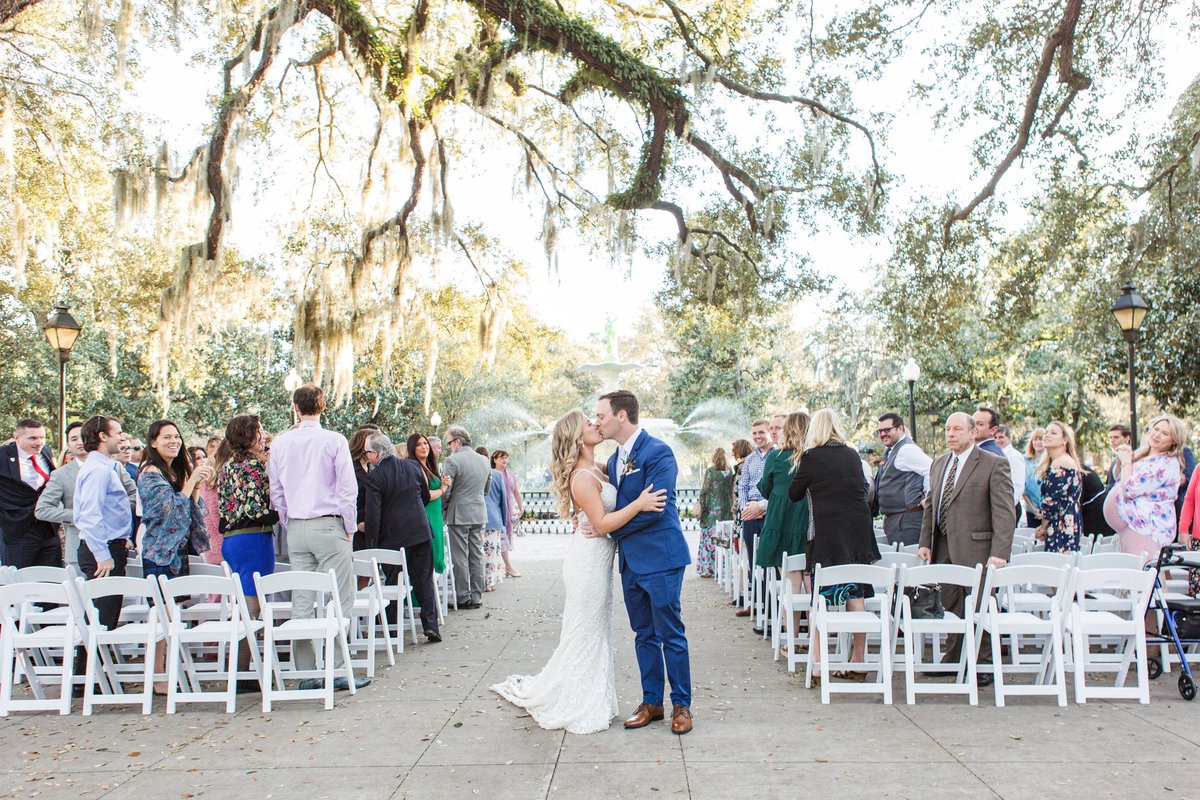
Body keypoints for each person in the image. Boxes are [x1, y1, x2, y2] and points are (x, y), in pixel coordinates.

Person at [491, 409, 666, 734]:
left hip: (597, 561)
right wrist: (639, 504)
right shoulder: (582, 478)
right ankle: (576, 701)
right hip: (587, 563)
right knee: (585, 630)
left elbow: (603, 509)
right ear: (576, 436)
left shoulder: (599, 469)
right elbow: (601, 524)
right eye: (589, 423)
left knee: (594, 630)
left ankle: (591, 697)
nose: (596, 424)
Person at [589, 390, 693, 734]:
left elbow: (656, 508)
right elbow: (630, 503)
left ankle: (682, 706)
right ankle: (652, 702)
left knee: (670, 633)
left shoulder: (659, 452)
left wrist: (609, 528)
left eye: (601, 415)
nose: (597, 421)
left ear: (621, 416)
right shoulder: (617, 460)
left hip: (661, 556)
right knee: (643, 634)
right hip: (631, 562)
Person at [267, 384, 369, 691]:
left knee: (302, 598)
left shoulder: (281, 444)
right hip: (329, 525)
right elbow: (347, 489)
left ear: (295, 408)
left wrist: (289, 522)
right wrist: (349, 528)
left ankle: (306, 671)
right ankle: (337, 668)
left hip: (296, 527)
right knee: (339, 597)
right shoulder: (334, 440)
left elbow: (276, 491)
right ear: (323, 407)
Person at [918, 411, 1016, 684]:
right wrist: (925, 541)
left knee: (978, 605)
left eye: (957, 429)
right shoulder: (938, 464)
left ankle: (983, 664)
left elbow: (1005, 513)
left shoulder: (993, 464)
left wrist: (1000, 551)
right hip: (943, 546)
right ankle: (954, 659)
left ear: (973, 432)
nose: (950, 434)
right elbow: (931, 505)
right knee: (949, 605)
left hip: (979, 549)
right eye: (948, 429)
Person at [787, 409, 880, 684]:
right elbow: (863, 489)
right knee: (856, 595)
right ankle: (859, 659)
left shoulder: (812, 457)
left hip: (828, 537)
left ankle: (817, 664)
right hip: (858, 535)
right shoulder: (852, 455)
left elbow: (794, 493)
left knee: (822, 601)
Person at [138, 419, 213, 693]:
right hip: (159, 552)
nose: (174, 441)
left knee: (171, 614)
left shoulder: (171, 472)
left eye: (177, 436)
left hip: (177, 552)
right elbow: (168, 510)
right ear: (153, 441)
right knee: (161, 615)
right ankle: (157, 677)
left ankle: (166, 672)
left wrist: (194, 487)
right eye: (167, 437)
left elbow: (189, 511)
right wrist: (191, 480)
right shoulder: (149, 473)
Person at [71, 415, 136, 688]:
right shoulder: (97, 470)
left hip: (112, 545)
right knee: (99, 617)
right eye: (117, 432)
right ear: (101, 436)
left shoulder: (106, 467)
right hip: (102, 552)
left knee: (105, 616)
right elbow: (89, 516)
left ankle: (91, 678)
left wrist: (124, 537)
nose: (122, 437)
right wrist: (103, 555)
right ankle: (86, 681)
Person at [363, 432, 440, 642]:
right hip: (420, 531)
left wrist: (372, 543)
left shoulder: (375, 477)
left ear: (376, 453)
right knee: (424, 579)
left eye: (368, 452)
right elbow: (424, 496)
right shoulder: (413, 467)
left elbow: (373, 513)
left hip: (393, 538)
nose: (367, 456)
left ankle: (393, 628)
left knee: (393, 583)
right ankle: (431, 625)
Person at [36, 421, 136, 567]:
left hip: (114, 543)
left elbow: (134, 495)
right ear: (68, 445)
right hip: (82, 545)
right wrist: (79, 516)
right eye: (74, 439)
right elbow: (42, 510)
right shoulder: (62, 474)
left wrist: (113, 516)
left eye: (82, 437)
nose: (80, 442)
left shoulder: (114, 466)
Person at [758, 412, 812, 646]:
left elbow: (764, 487)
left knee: (791, 581)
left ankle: (792, 638)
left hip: (781, 519)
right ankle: (812, 636)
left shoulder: (776, 457)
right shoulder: (812, 457)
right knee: (809, 580)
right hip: (807, 519)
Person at [1105, 414, 1187, 564]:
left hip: (1148, 530)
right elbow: (1120, 479)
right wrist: (1120, 461)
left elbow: (1129, 489)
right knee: (1134, 578)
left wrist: (1126, 462)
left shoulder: (1165, 464)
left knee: (1144, 578)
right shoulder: (1144, 454)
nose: (1157, 435)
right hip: (1133, 529)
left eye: (1165, 433)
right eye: (1156, 429)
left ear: (1173, 440)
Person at [442, 425, 492, 609]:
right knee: (477, 555)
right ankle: (477, 596)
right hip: (479, 512)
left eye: (449, 443)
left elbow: (446, 491)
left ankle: (463, 597)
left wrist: (443, 507)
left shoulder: (452, 461)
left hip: (459, 513)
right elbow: (486, 490)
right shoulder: (484, 461)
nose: (449, 447)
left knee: (460, 556)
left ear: (457, 441)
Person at [0, 418, 60, 568]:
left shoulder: (45, 452)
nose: (39, 442)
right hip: (17, 530)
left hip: (48, 528)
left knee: (51, 579)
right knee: (19, 582)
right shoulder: (3, 456)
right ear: (17, 438)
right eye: (33, 438)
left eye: (42, 438)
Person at [874, 412, 932, 546]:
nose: (883, 434)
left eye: (887, 430)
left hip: (907, 522)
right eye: (880, 431)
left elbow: (931, 469)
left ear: (900, 429)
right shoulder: (894, 450)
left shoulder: (906, 449)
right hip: (898, 521)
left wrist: (926, 498)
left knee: (907, 564)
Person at [735, 419, 773, 616]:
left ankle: (769, 606)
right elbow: (742, 486)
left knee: (768, 561)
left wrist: (762, 508)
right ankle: (754, 603)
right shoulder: (749, 459)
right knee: (752, 560)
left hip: (768, 513)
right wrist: (744, 508)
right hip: (750, 515)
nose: (757, 437)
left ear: (770, 432)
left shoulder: (777, 456)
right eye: (755, 433)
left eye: (761, 432)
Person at [1034, 421, 1084, 553]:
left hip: (1061, 523)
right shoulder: (1060, 461)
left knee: (1058, 567)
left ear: (1065, 440)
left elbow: (1051, 501)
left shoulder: (1061, 462)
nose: (1047, 435)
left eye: (1053, 433)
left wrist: (1043, 527)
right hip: (1067, 520)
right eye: (1046, 432)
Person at [406, 433, 449, 574]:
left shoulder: (429, 466)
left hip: (435, 516)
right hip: (427, 516)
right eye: (418, 445)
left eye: (425, 443)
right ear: (412, 448)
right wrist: (443, 488)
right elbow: (427, 495)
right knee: (428, 560)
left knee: (435, 554)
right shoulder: (416, 467)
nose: (423, 447)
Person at [695, 448, 733, 578]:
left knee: (709, 541)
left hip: (712, 513)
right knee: (722, 540)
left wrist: (701, 508)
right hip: (726, 513)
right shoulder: (730, 471)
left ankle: (707, 569)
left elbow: (704, 491)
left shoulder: (710, 471)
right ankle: (722, 568)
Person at [348, 425, 380, 552]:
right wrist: (356, 523)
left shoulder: (373, 468)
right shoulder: (349, 467)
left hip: (371, 526)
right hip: (355, 525)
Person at [491, 449, 522, 577]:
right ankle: (508, 567)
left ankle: (505, 568)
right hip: (496, 512)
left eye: (506, 458)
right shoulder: (491, 475)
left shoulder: (510, 475)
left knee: (504, 540)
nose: (504, 460)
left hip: (508, 511)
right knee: (500, 541)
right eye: (501, 458)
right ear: (494, 460)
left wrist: (521, 508)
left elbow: (516, 492)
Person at [483, 452, 508, 591]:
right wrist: (503, 520)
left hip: (480, 517)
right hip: (495, 518)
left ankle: (483, 582)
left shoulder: (478, 473)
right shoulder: (497, 475)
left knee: (482, 552)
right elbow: (503, 500)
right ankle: (490, 582)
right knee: (492, 552)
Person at [994, 424, 1027, 520]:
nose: (997, 440)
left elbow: (1018, 485)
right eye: (995, 437)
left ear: (1009, 438)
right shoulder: (996, 454)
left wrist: (1007, 507)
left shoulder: (1014, 456)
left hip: (1009, 507)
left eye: (1001, 437)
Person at [1179, 467, 1200, 597]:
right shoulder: (1199, 469)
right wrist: (1183, 529)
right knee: (1197, 593)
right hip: (1198, 541)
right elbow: (1189, 499)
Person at [1022, 428, 1045, 527]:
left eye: (1041, 439)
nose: (1038, 442)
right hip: (1031, 509)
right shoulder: (1025, 461)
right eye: (1035, 439)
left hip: (1049, 511)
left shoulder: (1052, 460)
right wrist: (1032, 508)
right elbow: (1023, 488)